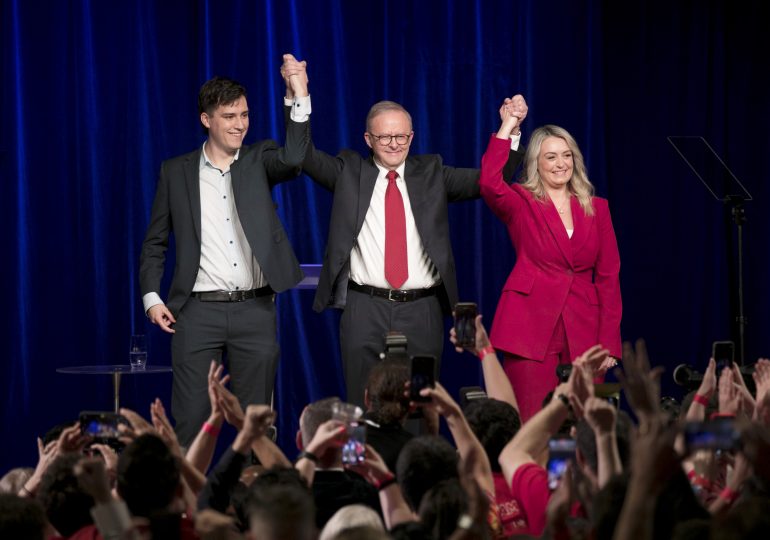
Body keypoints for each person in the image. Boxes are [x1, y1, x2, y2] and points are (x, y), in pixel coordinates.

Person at [281, 58, 526, 406]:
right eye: (384, 137)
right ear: (368, 138)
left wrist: (509, 130)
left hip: (422, 311)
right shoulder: (348, 171)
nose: (394, 144)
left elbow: (490, 183)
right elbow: (300, 155)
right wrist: (299, 93)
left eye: (402, 136)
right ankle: (359, 463)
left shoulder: (432, 172)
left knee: (422, 404)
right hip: (364, 309)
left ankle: (418, 461)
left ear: (412, 136)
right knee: (362, 406)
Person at [139, 60, 311, 446]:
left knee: (257, 431)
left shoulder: (258, 159)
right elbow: (155, 242)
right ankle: (190, 507)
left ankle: (253, 507)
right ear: (206, 119)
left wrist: (298, 93)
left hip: (255, 312)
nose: (239, 124)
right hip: (197, 313)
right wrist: (152, 297)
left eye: (245, 114)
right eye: (229, 115)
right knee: (190, 425)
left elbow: (296, 158)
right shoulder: (176, 171)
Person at [478, 96, 622, 421]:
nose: (560, 164)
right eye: (551, 157)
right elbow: (488, 183)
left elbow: (609, 277)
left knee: (586, 425)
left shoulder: (597, 208)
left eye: (567, 155)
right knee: (533, 422)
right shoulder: (521, 201)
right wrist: (508, 125)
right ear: (536, 163)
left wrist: (609, 344)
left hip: (585, 329)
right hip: (530, 329)